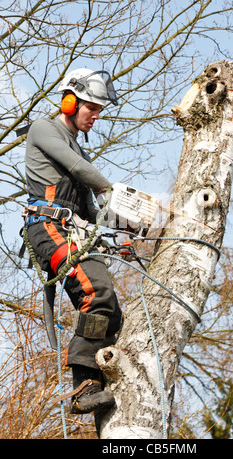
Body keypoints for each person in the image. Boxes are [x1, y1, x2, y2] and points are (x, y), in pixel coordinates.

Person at [23, 68, 122, 422]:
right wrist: (114, 191)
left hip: (72, 231)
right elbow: (79, 169)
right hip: (48, 227)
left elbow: (92, 210)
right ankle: (82, 390)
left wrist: (124, 229)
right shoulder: (44, 129)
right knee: (96, 291)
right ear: (70, 101)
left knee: (112, 312)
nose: (96, 116)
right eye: (92, 108)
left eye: (99, 110)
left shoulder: (76, 146)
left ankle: (97, 386)